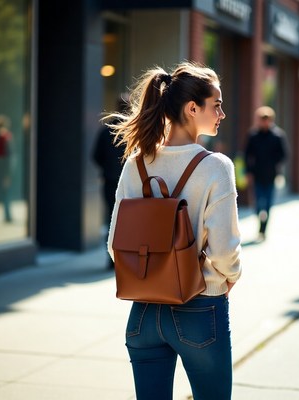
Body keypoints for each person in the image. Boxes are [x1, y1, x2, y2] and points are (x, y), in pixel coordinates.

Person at [106, 62, 242, 400]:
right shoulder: (215, 167)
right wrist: (229, 277)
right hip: (199, 308)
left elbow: (114, 245)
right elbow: (225, 252)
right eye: (217, 104)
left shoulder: (136, 163)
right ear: (192, 108)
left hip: (144, 313)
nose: (222, 113)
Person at [92, 99, 126, 270]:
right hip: (130, 183)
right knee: (130, 220)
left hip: (110, 181)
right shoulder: (134, 131)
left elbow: (95, 156)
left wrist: (107, 168)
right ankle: (127, 259)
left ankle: (111, 259)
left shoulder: (106, 131)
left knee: (112, 219)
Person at [243, 106, 287, 239]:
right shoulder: (253, 135)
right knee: (258, 203)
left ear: (271, 120)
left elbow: (284, 154)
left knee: (268, 203)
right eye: (262, 120)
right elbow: (247, 154)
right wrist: (248, 171)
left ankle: (263, 229)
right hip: (257, 174)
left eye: (267, 120)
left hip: (271, 175)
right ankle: (260, 221)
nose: (264, 122)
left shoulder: (278, 135)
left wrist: (274, 162)